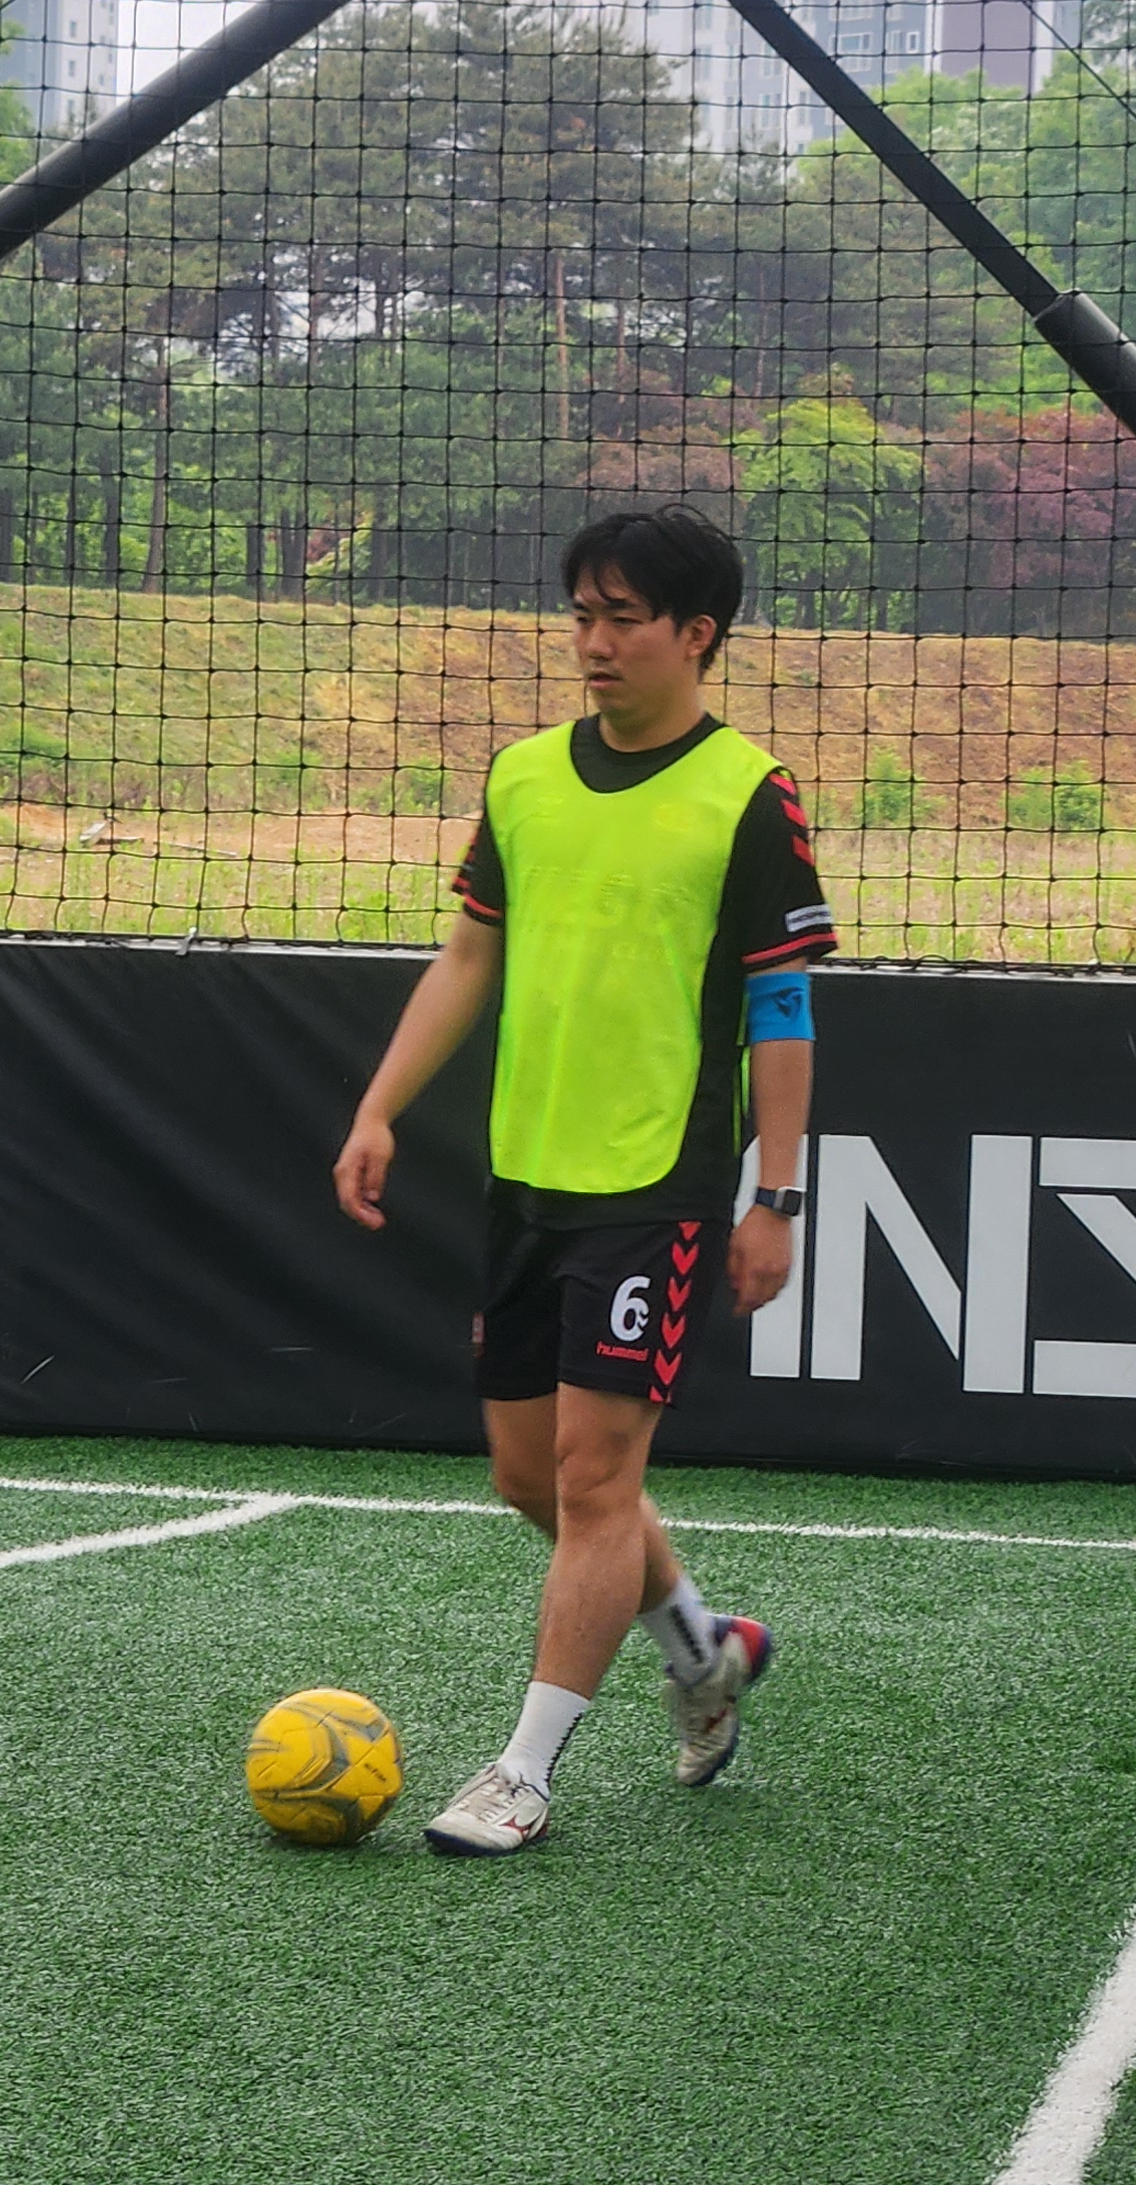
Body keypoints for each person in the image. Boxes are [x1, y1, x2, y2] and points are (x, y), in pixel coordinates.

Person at [332, 503, 833, 1858]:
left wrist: (776, 1197)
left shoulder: (750, 794)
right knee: (529, 1478)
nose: (594, 642)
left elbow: (783, 1010)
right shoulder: (523, 777)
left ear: (696, 634)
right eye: (582, 616)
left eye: (623, 618)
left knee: (597, 1476)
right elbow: (468, 956)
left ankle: (522, 1774)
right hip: (526, 1177)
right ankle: (703, 1651)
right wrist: (380, 1107)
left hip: (658, 1183)